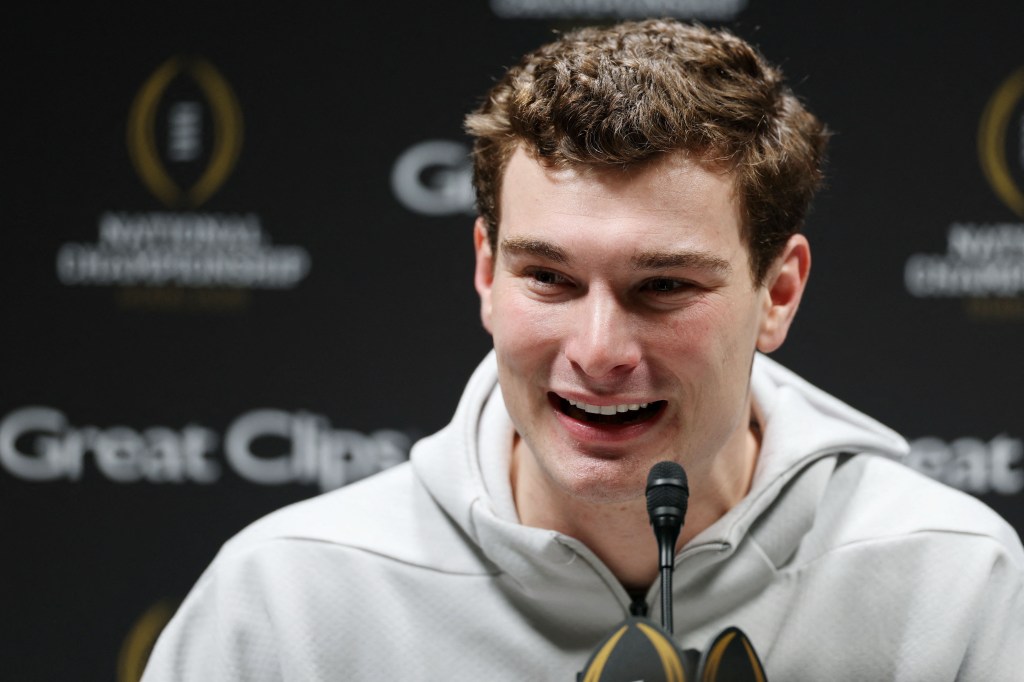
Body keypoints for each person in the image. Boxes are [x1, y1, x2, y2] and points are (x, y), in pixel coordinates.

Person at [142, 19, 1024, 680]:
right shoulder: (292, 597)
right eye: (550, 279)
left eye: (664, 287)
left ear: (778, 291)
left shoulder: (952, 579)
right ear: (487, 271)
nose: (599, 352)